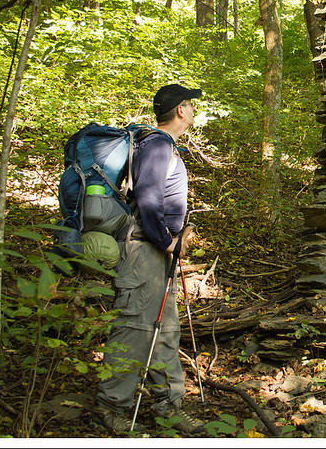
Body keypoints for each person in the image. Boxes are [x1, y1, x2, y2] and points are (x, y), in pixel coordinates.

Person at [93, 84, 205, 434]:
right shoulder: (157, 145)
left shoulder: (163, 145)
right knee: (135, 330)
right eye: (190, 104)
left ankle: (168, 406)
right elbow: (149, 200)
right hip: (145, 250)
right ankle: (111, 409)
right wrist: (169, 243)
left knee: (165, 330)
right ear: (180, 111)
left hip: (155, 253)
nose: (192, 109)